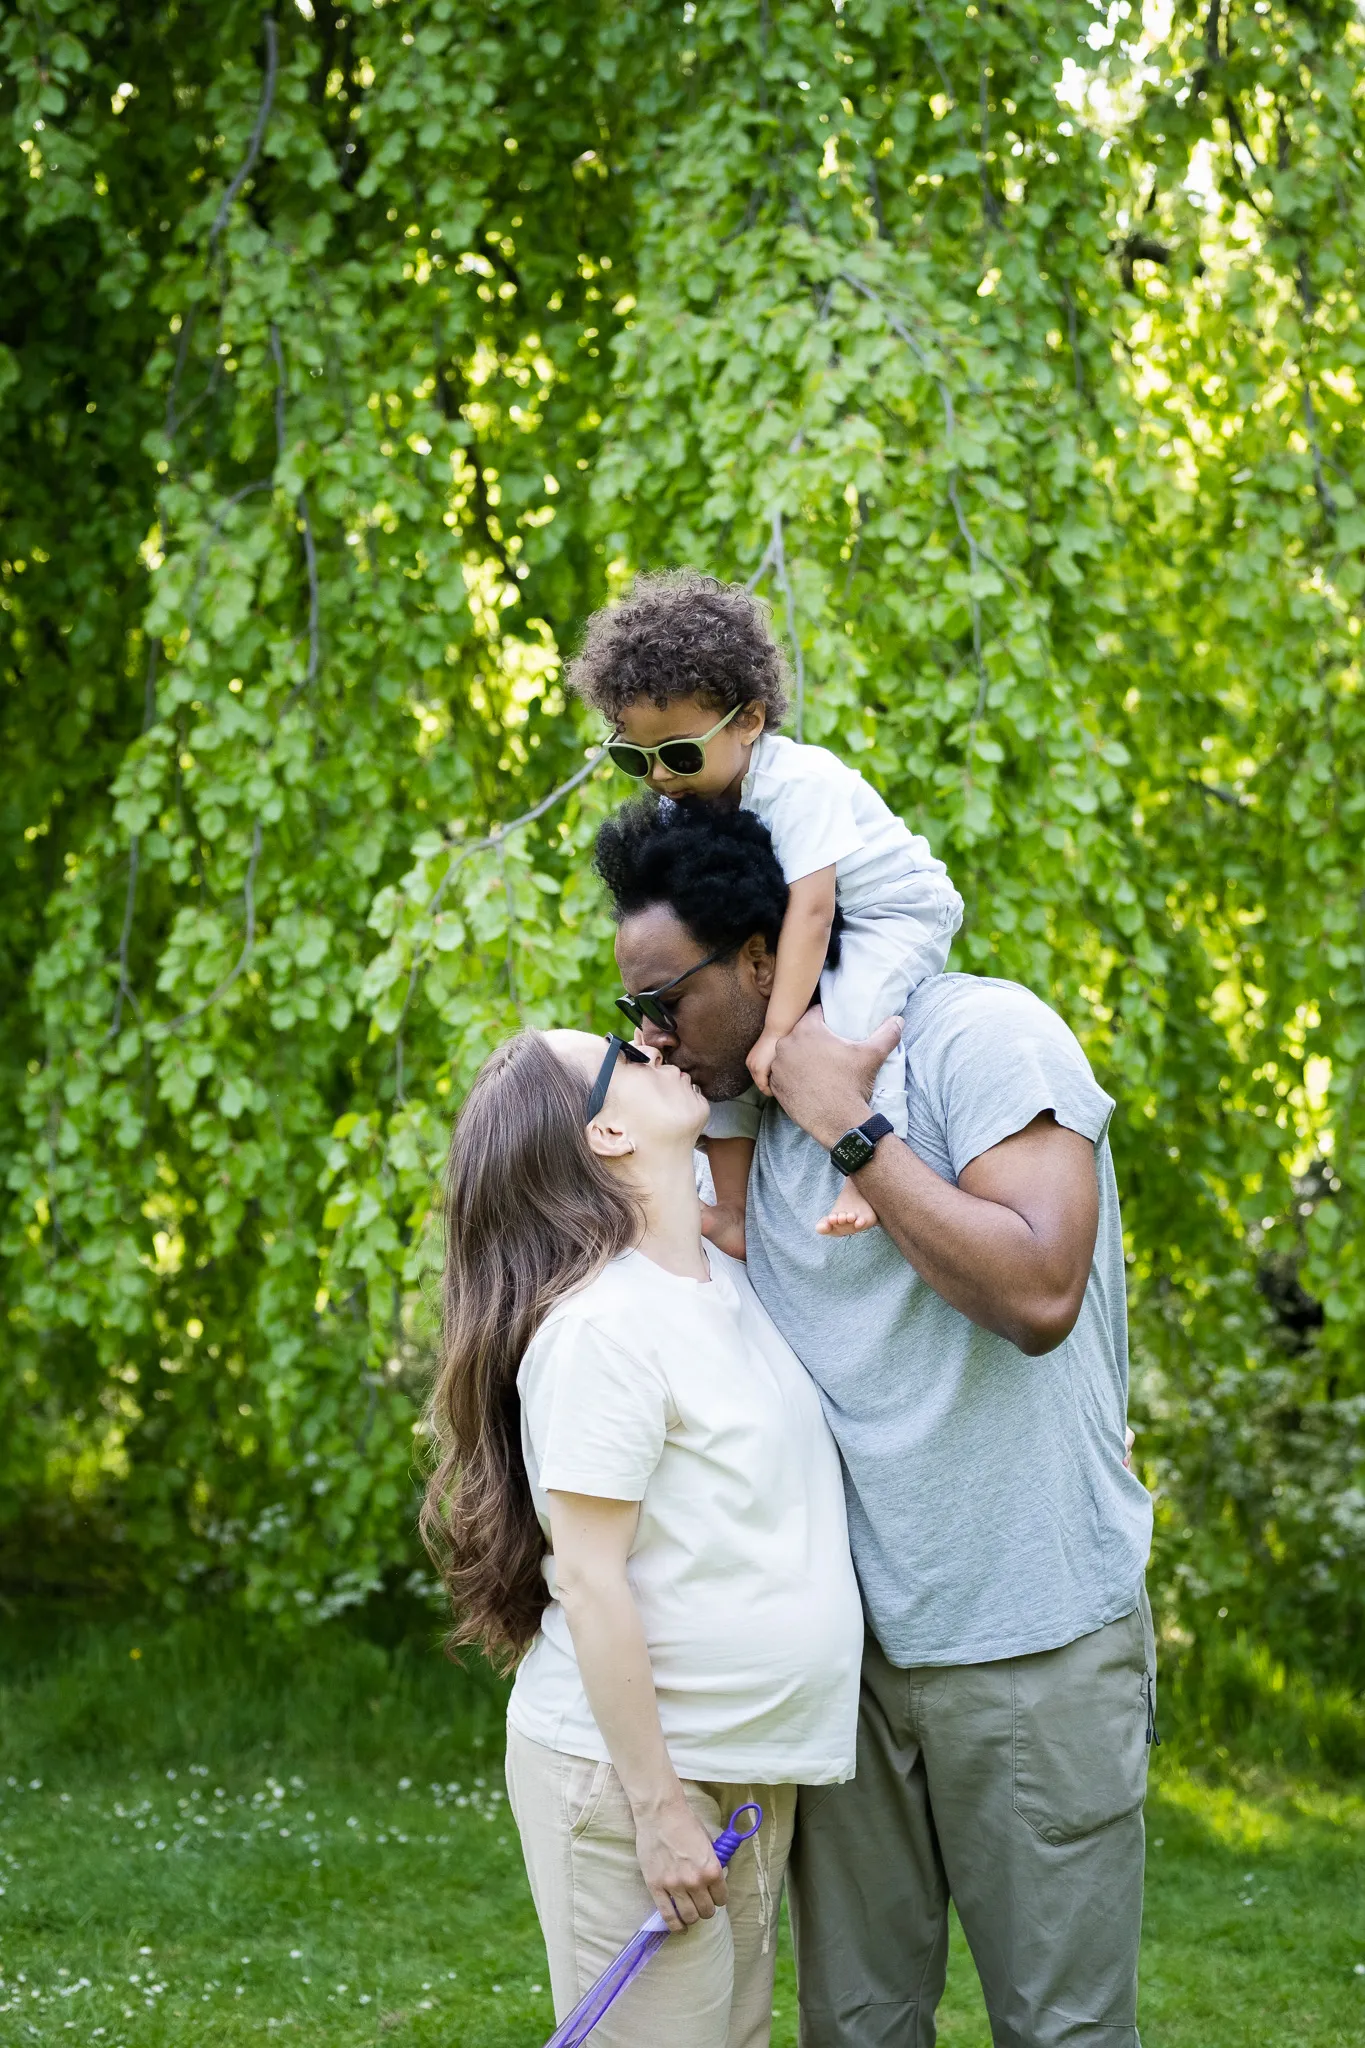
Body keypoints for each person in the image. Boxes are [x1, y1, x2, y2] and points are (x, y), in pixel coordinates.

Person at [593, 797, 1158, 2048]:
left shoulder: (983, 1038)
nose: (651, 1035)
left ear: (760, 958)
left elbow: (1039, 1290)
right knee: (857, 2028)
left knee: (1061, 2032)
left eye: (667, 1001)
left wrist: (846, 1121)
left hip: (1032, 1643)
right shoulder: (728, 1128)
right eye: (631, 1006)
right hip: (849, 1674)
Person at [420, 1025, 863, 2048]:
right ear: (610, 1128)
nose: (661, 1043)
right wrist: (660, 1808)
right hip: (637, 1784)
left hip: (743, 1765)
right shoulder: (599, 1330)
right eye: (632, 1050)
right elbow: (590, 1577)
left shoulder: (718, 1273)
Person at [568, 568, 963, 1244]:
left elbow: (811, 912)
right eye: (635, 761)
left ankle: (864, 1169)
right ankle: (732, 1211)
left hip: (891, 912)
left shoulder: (798, 784)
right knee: (719, 1054)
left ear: (747, 720)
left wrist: (782, 1031)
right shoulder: (686, 798)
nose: (660, 777)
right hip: (806, 930)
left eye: (679, 753)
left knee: (840, 1029)